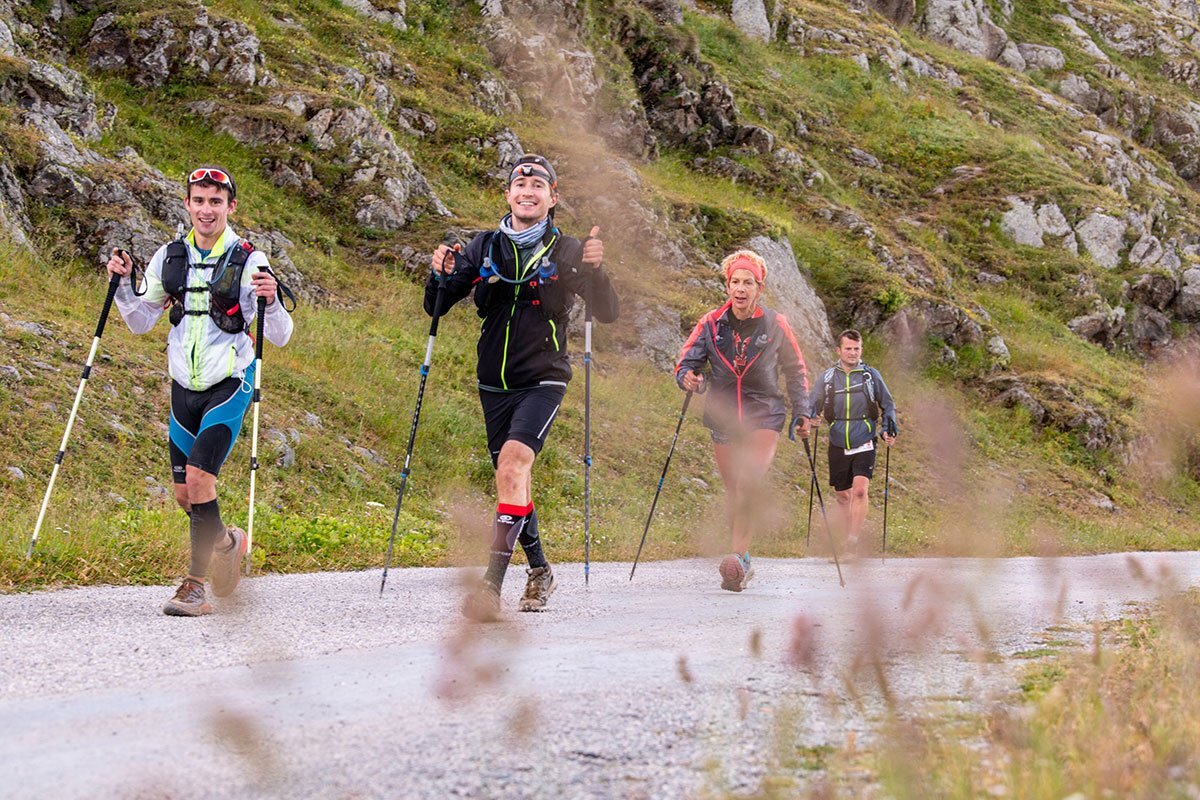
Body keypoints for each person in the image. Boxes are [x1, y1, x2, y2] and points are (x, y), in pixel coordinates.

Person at [427, 154, 619, 622]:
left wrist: (597, 270)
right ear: (508, 194)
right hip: (493, 381)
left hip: (544, 377)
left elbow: (608, 311)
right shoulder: (483, 246)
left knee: (514, 464)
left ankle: (490, 586)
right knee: (510, 480)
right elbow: (437, 305)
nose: (527, 190)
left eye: (538, 185)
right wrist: (440, 272)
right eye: (520, 183)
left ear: (553, 198)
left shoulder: (568, 249)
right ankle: (540, 569)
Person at [105, 166, 294, 616]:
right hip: (183, 386)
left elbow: (281, 335)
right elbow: (139, 321)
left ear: (230, 207)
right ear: (187, 204)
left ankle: (194, 586)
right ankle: (228, 544)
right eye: (199, 200)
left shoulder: (251, 259)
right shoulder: (168, 257)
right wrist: (122, 284)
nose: (206, 209)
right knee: (186, 496)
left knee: (199, 479)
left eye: (215, 201)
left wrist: (270, 300)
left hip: (230, 381)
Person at [675, 249, 811, 592]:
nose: (740, 288)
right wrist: (689, 378)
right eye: (735, 282)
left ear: (759, 288)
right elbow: (687, 363)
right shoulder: (710, 323)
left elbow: (796, 370)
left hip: (764, 413)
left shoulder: (775, 323)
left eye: (748, 282)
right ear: (727, 285)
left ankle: (735, 557)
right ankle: (744, 561)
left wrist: (803, 411)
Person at [807, 329, 897, 557]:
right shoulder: (827, 378)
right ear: (839, 350)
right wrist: (811, 419)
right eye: (848, 348)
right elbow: (812, 404)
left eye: (856, 349)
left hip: (864, 437)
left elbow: (887, 404)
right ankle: (845, 538)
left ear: (861, 350)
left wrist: (888, 428)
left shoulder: (870, 376)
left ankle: (852, 542)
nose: (852, 353)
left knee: (859, 491)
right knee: (843, 496)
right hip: (837, 439)